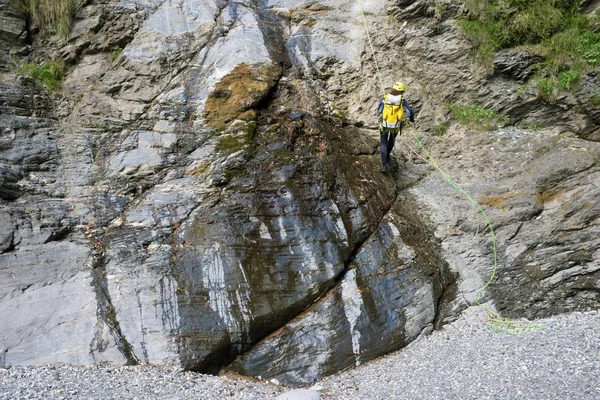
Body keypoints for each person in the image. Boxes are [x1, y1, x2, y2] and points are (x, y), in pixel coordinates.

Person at [376, 82, 414, 172]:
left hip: (385, 125)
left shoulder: (385, 97)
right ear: (402, 91)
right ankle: (388, 156)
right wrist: (411, 119)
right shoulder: (402, 100)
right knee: (391, 141)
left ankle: (383, 165)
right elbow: (410, 112)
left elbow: (379, 110)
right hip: (395, 126)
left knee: (383, 144)